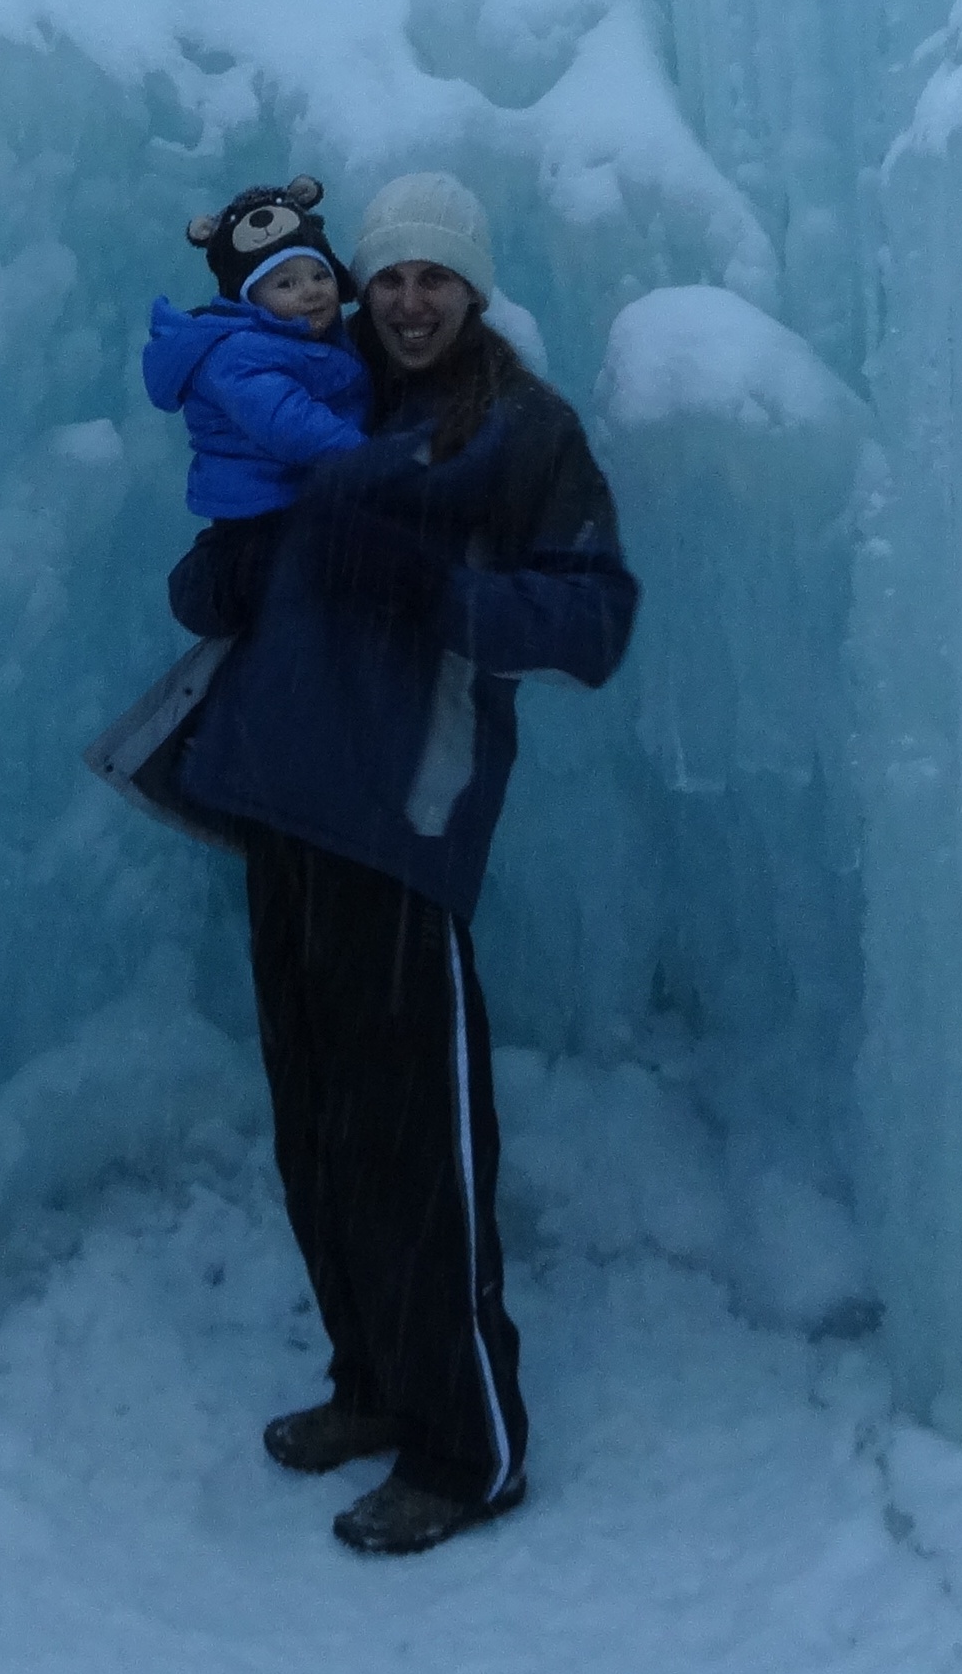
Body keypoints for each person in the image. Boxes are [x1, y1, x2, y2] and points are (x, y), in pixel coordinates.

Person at [162, 170, 638, 1556]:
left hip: (399, 816)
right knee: (317, 1127)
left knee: (415, 1145)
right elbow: (225, 564)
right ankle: (370, 1381)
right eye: (389, 276)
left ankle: (465, 1448)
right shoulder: (323, 393)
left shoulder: (523, 431)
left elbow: (593, 619)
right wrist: (222, 575)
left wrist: (440, 594)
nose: (409, 300)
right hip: (277, 799)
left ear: (473, 289)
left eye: (436, 277)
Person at [138, 179, 371, 575]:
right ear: (249, 299)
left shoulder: (311, 339)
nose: (311, 291)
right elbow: (291, 423)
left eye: (321, 275)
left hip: (299, 493)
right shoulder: (236, 354)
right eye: (286, 283)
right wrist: (374, 457)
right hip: (261, 513)